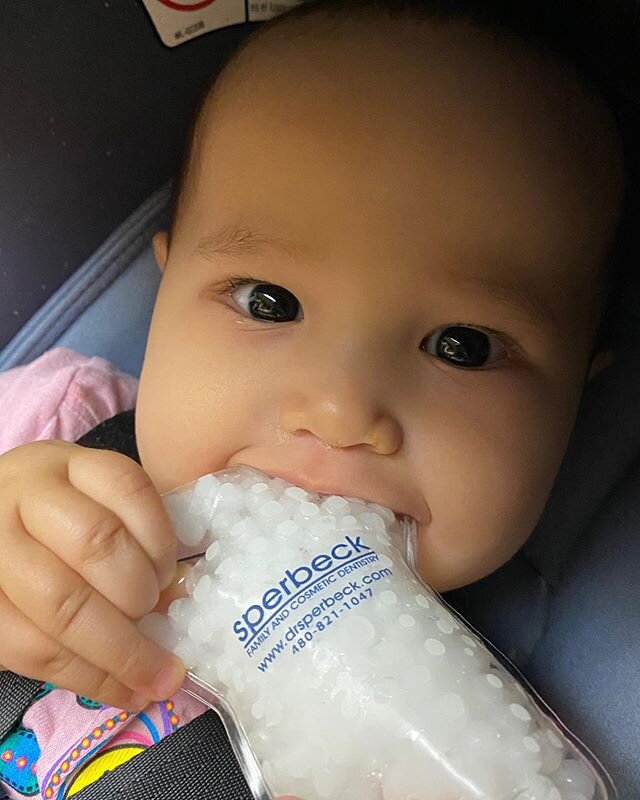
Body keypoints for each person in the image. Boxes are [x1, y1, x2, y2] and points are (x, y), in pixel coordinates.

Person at [0, 0, 633, 797]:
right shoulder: (51, 430)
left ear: (576, 396)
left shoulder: (489, 734)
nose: (338, 411)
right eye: (269, 302)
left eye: (461, 346)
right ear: (164, 297)